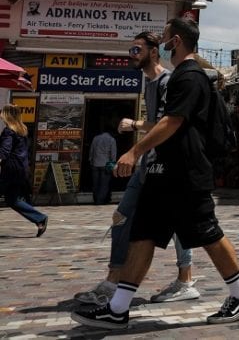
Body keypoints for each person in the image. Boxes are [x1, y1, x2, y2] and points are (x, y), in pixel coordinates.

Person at [71, 17, 239, 329]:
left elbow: (171, 122)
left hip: (185, 172)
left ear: (176, 42)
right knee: (142, 233)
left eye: (166, 38)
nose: (163, 42)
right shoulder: (183, 75)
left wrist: (134, 150)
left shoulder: (188, 77)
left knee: (208, 232)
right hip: (165, 172)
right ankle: (117, 308)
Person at [74, 32, 199, 307]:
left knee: (176, 223)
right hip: (150, 163)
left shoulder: (168, 82)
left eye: (136, 49)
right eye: (131, 49)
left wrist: (134, 128)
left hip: (165, 164)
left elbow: (169, 124)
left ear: (154, 52)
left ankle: (182, 280)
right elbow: (158, 122)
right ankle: (116, 280)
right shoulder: (149, 83)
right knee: (123, 217)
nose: (131, 54)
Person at [0, 105, 47, 236]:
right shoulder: (22, 129)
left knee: (12, 199)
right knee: (12, 200)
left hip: (10, 171)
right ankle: (40, 218)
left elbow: (4, 151)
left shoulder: (8, 131)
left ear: (6, 115)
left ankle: (39, 218)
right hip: (21, 170)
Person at [89, 125, 117, 205]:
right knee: (104, 184)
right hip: (106, 164)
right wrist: (113, 165)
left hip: (95, 163)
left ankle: (96, 199)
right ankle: (100, 201)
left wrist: (91, 160)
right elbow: (113, 155)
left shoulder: (95, 138)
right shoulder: (112, 140)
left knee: (95, 183)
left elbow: (91, 151)